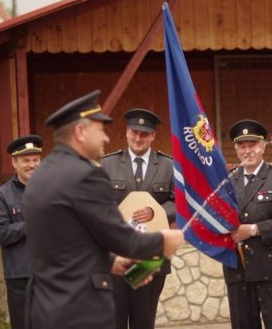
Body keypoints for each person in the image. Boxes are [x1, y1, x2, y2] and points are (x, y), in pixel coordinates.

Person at [22, 90, 184, 329]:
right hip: (80, 308)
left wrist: (110, 262)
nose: (106, 139)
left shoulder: (42, 174)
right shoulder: (86, 175)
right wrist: (162, 242)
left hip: (45, 306)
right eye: (100, 130)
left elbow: (69, 242)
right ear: (80, 132)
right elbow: (121, 239)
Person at [101, 108, 175, 329]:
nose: (138, 138)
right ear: (126, 133)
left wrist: (156, 212)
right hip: (117, 254)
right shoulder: (108, 164)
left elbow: (179, 203)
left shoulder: (168, 165)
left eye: (144, 134)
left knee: (144, 320)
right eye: (134, 132)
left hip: (151, 256)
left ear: (152, 136)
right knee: (115, 319)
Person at [223, 119, 272, 329]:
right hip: (238, 268)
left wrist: (254, 230)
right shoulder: (228, 181)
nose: (248, 151)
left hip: (271, 267)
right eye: (242, 146)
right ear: (236, 149)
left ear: (263, 146)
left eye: (253, 145)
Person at [0, 135, 42, 329]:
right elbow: (0, 234)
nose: (32, 165)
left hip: (52, 273)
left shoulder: (52, 189)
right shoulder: (1, 196)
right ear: (14, 162)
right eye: (26, 160)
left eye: (36, 159)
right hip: (21, 278)